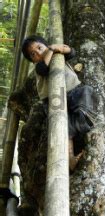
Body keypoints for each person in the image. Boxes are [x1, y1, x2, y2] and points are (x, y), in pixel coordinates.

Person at [22, 35, 96, 171]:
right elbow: (43, 68)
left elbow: (71, 52)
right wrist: (50, 49)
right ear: (32, 60)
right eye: (33, 54)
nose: (38, 53)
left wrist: (59, 48)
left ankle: (82, 120)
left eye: (40, 47)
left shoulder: (58, 56)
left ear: (45, 44)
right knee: (64, 127)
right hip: (54, 99)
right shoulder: (39, 66)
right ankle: (71, 160)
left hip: (73, 91)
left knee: (87, 90)